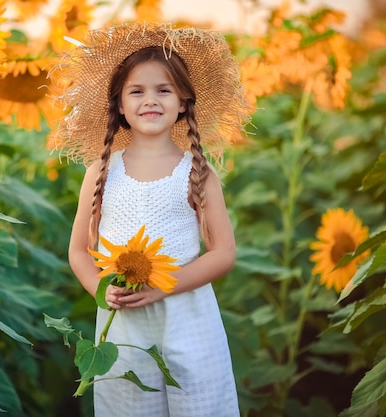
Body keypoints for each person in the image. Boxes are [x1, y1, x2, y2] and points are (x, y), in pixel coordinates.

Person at [52, 22, 251, 417]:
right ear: (120, 105)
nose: (151, 100)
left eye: (164, 90)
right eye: (137, 91)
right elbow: (78, 250)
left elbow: (223, 253)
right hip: (122, 321)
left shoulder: (196, 171)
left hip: (186, 313)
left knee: (199, 403)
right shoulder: (101, 171)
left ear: (183, 102)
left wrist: (165, 287)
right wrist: (98, 290)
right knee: (128, 405)